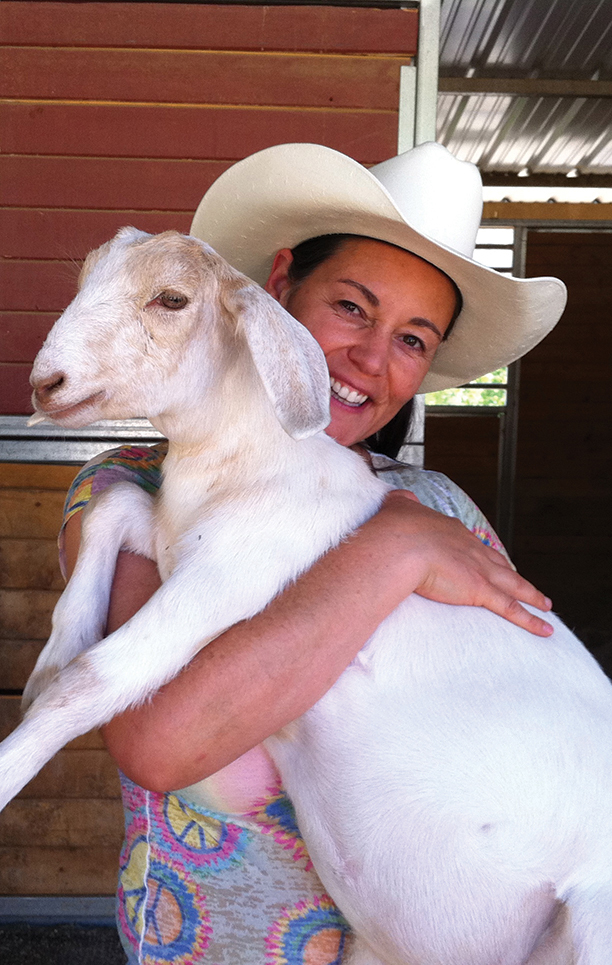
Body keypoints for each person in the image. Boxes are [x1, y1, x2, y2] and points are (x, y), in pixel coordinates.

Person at [59, 142, 566, 964]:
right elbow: (161, 743)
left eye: (412, 338)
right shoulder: (135, 488)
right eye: (353, 309)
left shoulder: (443, 506)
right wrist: (389, 554)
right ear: (281, 285)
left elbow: (535, 709)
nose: (371, 359)